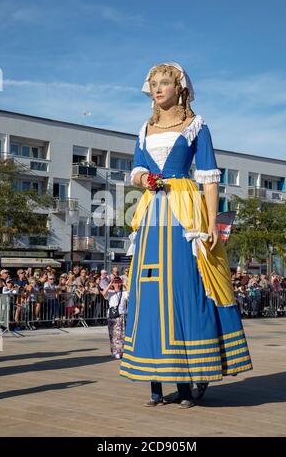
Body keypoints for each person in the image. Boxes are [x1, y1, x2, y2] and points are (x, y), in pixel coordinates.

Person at [120, 62, 253, 409]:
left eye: (165, 82)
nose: (158, 89)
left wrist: (211, 223)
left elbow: (209, 176)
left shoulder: (197, 126)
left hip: (184, 210)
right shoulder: (144, 128)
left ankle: (192, 371)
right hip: (152, 212)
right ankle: (154, 374)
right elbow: (135, 169)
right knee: (148, 288)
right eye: (154, 84)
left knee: (185, 286)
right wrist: (143, 179)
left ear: (181, 88)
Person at [102, 276, 128, 359]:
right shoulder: (110, 292)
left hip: (121, 314)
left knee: (121, 334)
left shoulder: (124, 292)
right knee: (113, 334)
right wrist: (110, 283)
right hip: (112, 316)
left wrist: (125, 284)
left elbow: (131, 293)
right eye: (115, 282)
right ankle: (115, 351)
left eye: (118, 282)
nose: (116, 284)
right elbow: (103, 293)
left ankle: (121, 351)